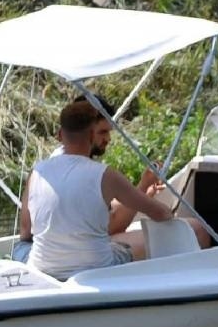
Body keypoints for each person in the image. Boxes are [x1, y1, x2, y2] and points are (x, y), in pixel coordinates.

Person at [18, 97, 207, 280]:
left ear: (60, 135)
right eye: (102, 132)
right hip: (96, 268)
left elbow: (26, 232)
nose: (108, 138)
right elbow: (153, 216)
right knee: (196, 228)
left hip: (44, 267)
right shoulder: (104, 174)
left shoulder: (38, 172)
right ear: (91, 134)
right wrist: (153, 202)